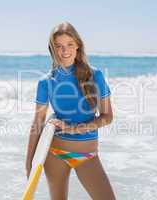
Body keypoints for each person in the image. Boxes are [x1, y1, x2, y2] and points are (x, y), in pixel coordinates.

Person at [25, 21, 116, 200]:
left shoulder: (95, 75)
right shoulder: (46, 82)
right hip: (55, 153)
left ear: (78, 46)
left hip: (87, 155)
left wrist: (75, 129)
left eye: (69, 45)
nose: (64, 51)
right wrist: (29, 164)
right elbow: (37, 123)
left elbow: (108, 117)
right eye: (58, 46)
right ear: (52, 49)